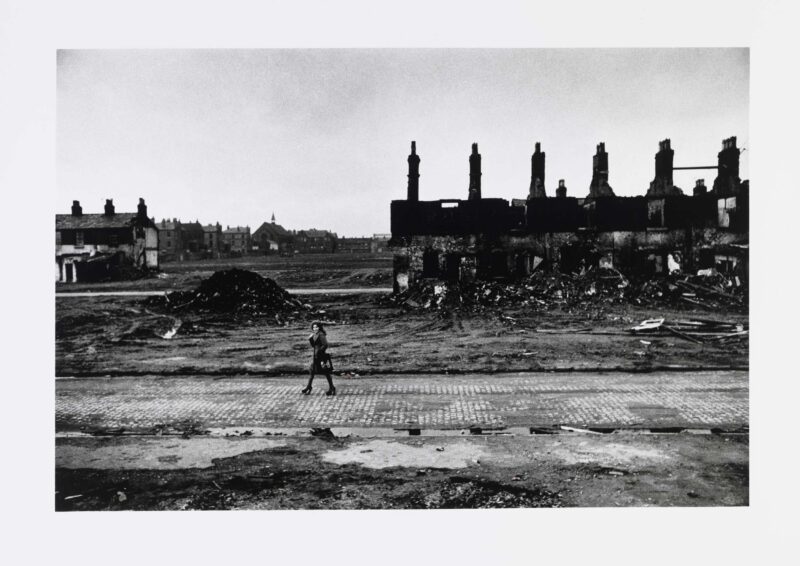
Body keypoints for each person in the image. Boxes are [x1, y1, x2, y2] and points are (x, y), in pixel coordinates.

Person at [301, 321, 335, 396]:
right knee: (312, 370)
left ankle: (332, 387)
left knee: (326, 371)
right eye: (313, 327)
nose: (315, 328)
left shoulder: (321, 334)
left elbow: (325, 345)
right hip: (316, 356)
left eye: (316, 327)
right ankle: (309, 386)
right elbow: (314, 345)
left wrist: (319, 352)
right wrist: (310, 339)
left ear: (319, 327)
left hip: (321, 356)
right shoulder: (315, 334)